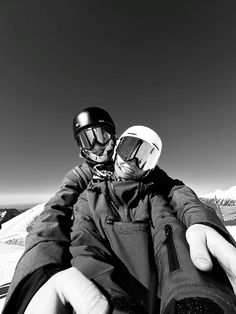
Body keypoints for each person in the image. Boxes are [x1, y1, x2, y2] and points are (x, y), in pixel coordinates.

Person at [2, 109, 236, 313]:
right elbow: (54, 213)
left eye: (101, 136)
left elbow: (176, 190)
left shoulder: (141, 172)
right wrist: (37, 275)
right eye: (87, 141)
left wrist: (200, 220)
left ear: (114, 138)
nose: (97, 147)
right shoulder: (83, 178)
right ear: (81, 149)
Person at [68, 125, 236, 313]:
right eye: (127, 150)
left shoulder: (153, 199)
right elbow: (85, 246)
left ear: (150, 169)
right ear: (116, 149)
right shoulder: (89, 199)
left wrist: (194, 297)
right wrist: (111, 304)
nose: (131, 162)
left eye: (142, 159)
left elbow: (171, 238)